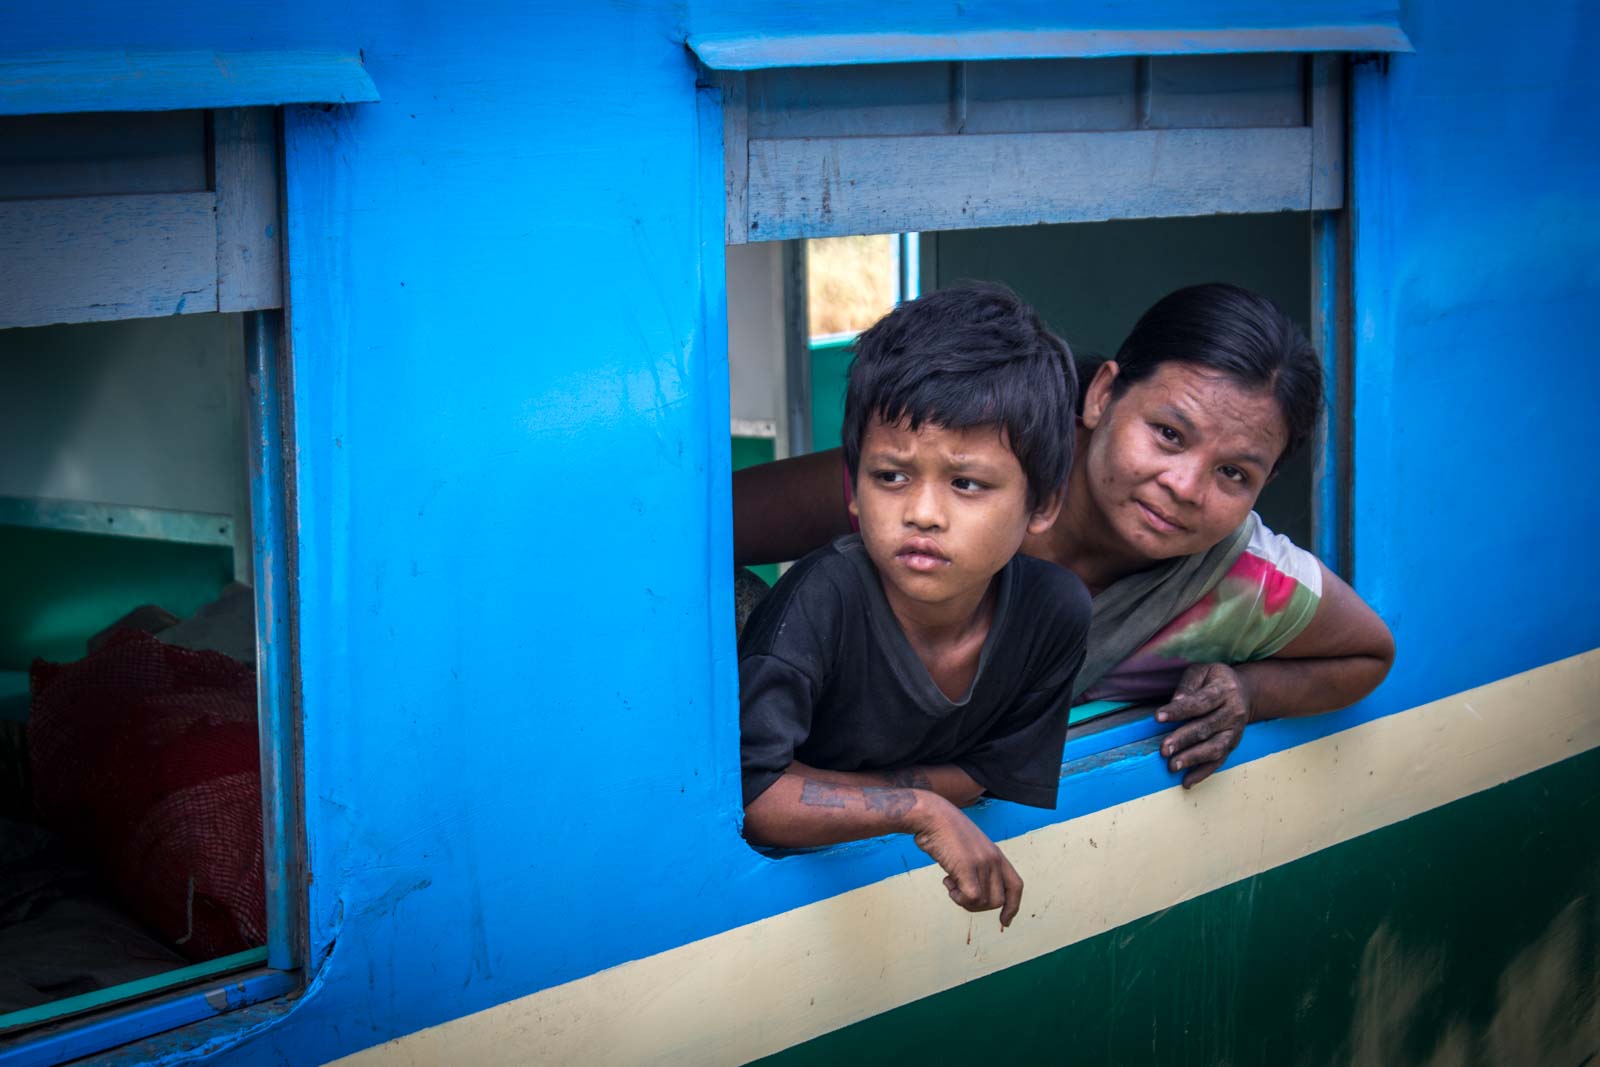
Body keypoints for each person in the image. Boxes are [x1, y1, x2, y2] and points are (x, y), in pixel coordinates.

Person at [736, 283, 1395, 789]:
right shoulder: (966, 463)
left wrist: (1250, 693)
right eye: (1168, 434)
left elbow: (1368, 655)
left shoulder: (1244, 576)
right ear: (1104, 393)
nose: (1187, 486)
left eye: (1234, 472)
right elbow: (710, 534)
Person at [740, 283, 1091, 929]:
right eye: (891, 476)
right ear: (852, 489)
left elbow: (990, 772)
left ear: (1042, 504)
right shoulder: (824, 598)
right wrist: (918, 809)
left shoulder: (1053, 611)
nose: (922, 514)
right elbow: (757, 796)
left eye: (967, 483)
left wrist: (861, 796)